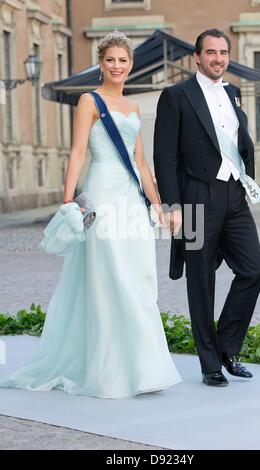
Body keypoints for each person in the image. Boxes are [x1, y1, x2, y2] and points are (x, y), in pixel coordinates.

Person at [0, 31, 182, 398]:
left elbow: (141, 163)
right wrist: (68, 200)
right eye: (110, 60)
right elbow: (79, 152)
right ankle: (109, 369)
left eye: (123, 61)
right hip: (101, 195)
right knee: (109, 274)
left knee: (138, 276)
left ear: (131, 65)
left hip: (131, 200)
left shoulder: (132, 108)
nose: (117, 66)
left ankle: (144, 369)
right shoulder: (89, 100)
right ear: (101, 63)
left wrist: (159, 203)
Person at [154, 29, 260, 387]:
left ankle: (227, 347)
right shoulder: (176, 96)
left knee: (253, 269)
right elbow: (165, 155)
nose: (218, 58)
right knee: (200, 280)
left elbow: (238, 141)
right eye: (211, 52)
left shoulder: (232, 93)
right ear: (197, 58)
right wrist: (171, 204)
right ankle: (209, 365)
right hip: (194, 198)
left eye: (223, 52)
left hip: (233, 194)